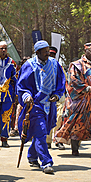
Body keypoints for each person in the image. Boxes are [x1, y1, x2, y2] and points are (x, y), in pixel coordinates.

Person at [17, 40, 66, 174]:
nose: (47, 54)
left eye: (48, 51)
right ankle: (46, 162)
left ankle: (32, 156)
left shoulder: (55, 65)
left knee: (44, 131)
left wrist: (56, 95)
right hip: (35, 104)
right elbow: (22, 86)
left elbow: (61, 82)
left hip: (50, 104)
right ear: (37, 52)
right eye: (44, 52)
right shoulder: (29, 66)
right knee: (41, 131)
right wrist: (26, 96)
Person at [46, 46, 66, 150]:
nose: (51, 56)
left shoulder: (59, 66)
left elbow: (64, 81)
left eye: (53, 54)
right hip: (47, 97)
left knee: (59, 118)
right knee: (48, 118)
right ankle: (47, 140)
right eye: (50, 54)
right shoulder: (42, 66)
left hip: (59, 96)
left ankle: (58, 140)